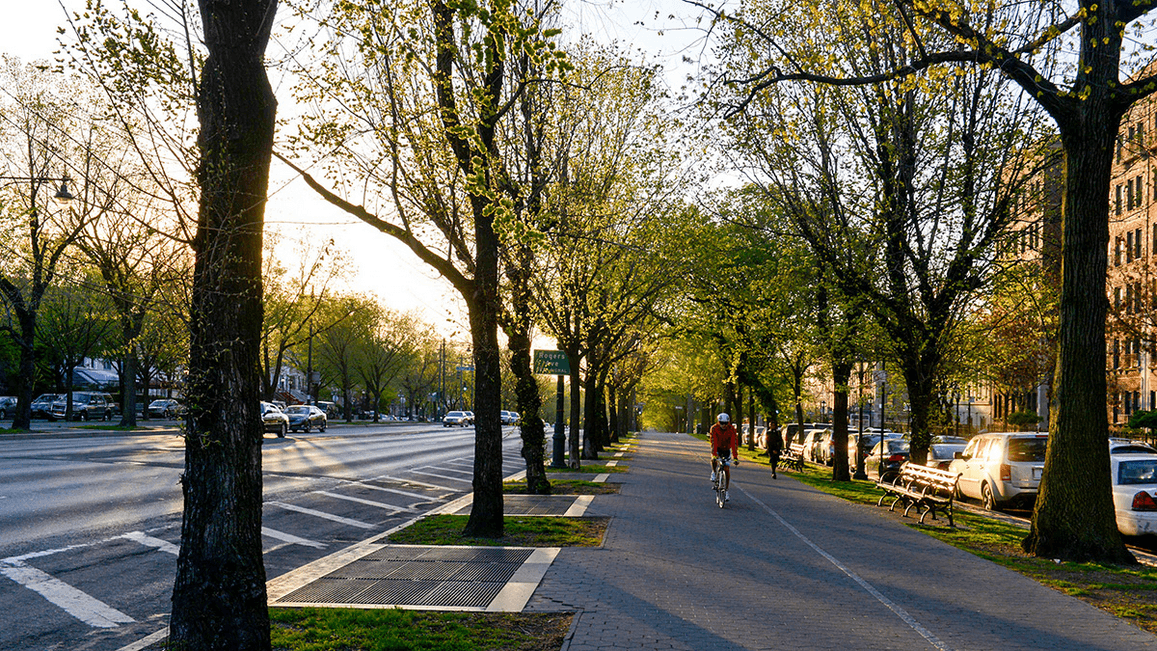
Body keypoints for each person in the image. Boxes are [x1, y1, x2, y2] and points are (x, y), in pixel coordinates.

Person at [709, 412, 740, 501]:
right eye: (722, 423)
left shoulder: (732, 429)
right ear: (718, 422)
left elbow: (734, 443)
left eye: (726, 423)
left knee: (726, 469)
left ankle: (726, 490)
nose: (724, 425)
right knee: (714, 459)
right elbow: (713, 441)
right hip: (717, 448)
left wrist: (735, 457)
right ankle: (714, 472)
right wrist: (715, 454)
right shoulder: (714, 428)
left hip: (726, 449)